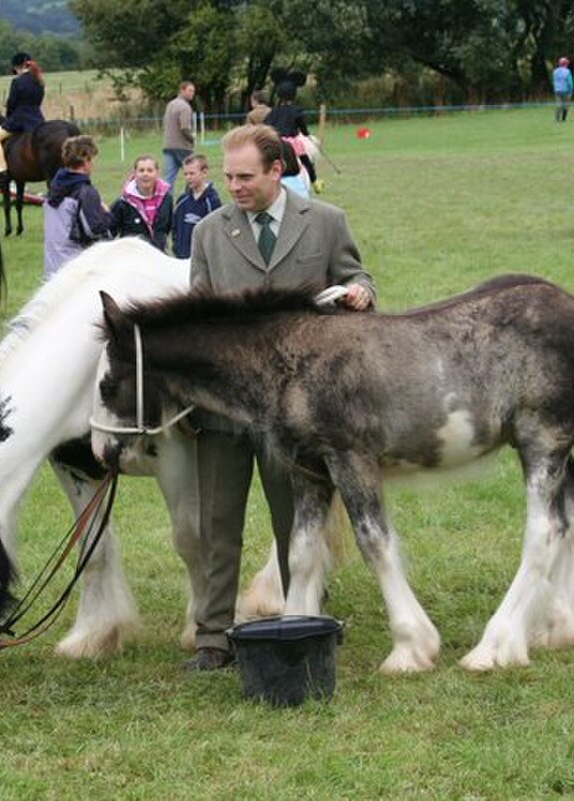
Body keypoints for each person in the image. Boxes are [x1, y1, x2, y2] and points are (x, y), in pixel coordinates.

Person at [184, 123, 374, 672]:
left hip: (295, 412)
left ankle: (306, 616)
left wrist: (362, 291)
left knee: (296, 520)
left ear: (277, 170)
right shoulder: (209, 233)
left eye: (245, 177)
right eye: (228, 177)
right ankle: (213, 636)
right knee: (217, 525)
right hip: (223, 410)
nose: (234, 186)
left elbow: (356, 272)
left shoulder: (327, 222)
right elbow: (197, 312)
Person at [43, 135, 112, 279]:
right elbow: (94, 230)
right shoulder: (85, 192)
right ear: (86, 160)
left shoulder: (52, 188)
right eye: (92, 159)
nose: (93, 164)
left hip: (52, 267)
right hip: (75, 269)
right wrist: (106, 214)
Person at [0, 52, 45, 182]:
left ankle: (3, 170)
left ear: (17, 67)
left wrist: (8, 117)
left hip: (19, 119)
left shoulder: (17, 82)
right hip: (37, 118)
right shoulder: (39, 80)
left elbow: (12, 103)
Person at [109, 154, 173, 252]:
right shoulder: (123, 203)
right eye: (141, 170)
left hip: (159, 257)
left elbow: (167, 228)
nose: (145, 174)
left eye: (150, 170)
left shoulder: (167, 199)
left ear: (157, 173)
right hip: (132, 258)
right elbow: (109, 233)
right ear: (135, 173)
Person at [263, 81, 320, 191]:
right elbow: (302, 127)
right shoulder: (296, 110)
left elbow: (265, 125)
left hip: (275, 142)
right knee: (306, 161)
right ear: (293, 95)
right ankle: (314, 181)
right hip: (292, 143)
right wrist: (306, 134)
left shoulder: (273, 111)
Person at [171, 153, 221, 259]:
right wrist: (177, 247)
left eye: (192, 173)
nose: (188, 177)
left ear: (204, 173)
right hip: (181, 258)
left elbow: (216, 232)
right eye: (185, 174)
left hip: (203, 259)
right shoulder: (182, 201)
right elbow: (175, 227)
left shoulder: (212, 202)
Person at [161, 81, 196, 189]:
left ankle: (166, 203)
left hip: (168, 146)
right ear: (182, 90)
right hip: (182, 147)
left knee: (168, 179)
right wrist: (192, 139)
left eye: (193, 91)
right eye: (190, 90)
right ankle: (190, 200)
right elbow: (185, 128)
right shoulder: (185, 107)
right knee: (193, 175)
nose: (192, 93)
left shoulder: (170, 104)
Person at [552, 57, 574, 123]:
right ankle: (563, 119)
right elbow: (569, 82)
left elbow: (554, 81)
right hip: (566, 90)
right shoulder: (567, 71)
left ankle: (557, 119)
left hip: (557, 90)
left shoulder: (555, 71)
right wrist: (571, 89)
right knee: (566, 104)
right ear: (566, 64)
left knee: (558, 104)